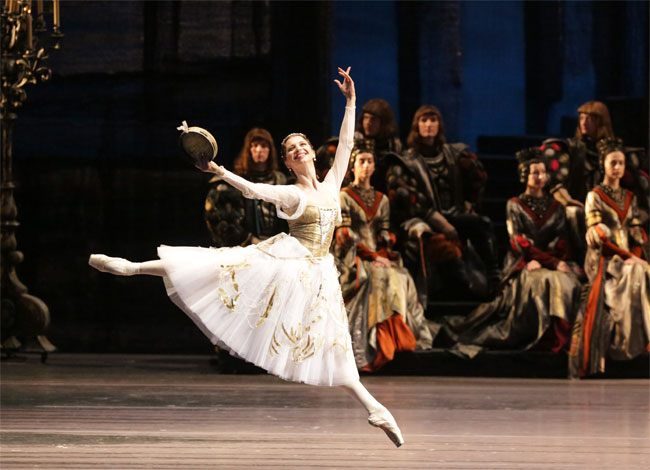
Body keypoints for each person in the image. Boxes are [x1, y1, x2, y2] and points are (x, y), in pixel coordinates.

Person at [88, 67, 404, 447]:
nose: (298, 150)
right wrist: (220, 170)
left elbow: (349, 144)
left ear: (312, 153)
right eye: (291, 150)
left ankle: (375, 409)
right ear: (287, 162)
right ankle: (132, 267)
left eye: (302, 145)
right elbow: (254, 191)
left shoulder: (333, 182)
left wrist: (351, 100)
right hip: (291, 263)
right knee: (217, 265)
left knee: (335, 345)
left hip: (320, 274)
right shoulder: (292, 194)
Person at [444, 148, 582, 356]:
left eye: (542, 172)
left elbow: (560, 240)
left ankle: (564, 338)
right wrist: (544, 262)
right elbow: (519, 242)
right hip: (524, 260)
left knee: (569, 281)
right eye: (534, 173)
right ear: (525, 175)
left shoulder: (557, 206)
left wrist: (554, 262)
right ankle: (540, 337)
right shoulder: (515, 205)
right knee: (543, 282)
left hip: (552, 260)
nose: (539, 177)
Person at [334, 140, 435, 371]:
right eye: (362, 161)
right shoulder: (344, 196)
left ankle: (398, 340)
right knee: (377, 278)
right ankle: (375, 344)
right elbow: (344, 235)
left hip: (377, 255)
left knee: (400, 277)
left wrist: (385, 248)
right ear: (353, 166)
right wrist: (371, 256)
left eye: (370, 161)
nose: (366, 166)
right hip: (353, 258)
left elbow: (383, 233)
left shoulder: (383, 199)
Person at [385, 104, 498, 304]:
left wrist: (470, 202)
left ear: (439, 125)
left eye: (433, 120)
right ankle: (461, 290)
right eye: (424, 120)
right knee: (444, 249)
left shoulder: (453, 154)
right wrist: (436, 219)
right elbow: (403, 193)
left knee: (482, 223)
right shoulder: (407, 159)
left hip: (453, 214)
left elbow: (478, 177)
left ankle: (495, 279)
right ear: (416, 125)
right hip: (424, 219)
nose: (429, 125)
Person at [569, 138, 649, 378]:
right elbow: (598, 238)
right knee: (637, 272)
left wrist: (636, 256)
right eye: (613, 163)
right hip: (606, 258)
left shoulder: (630, 197)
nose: (617, 168)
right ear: (603, 164)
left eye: (621, 163)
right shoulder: (594, 196)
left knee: (642, 270)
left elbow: (636, 235)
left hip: (628, 258)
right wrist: (627, 258)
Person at [541, 101, 648, 263]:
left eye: (589, 118)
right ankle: (582, 259)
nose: (584, 122)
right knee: (574, 213)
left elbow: (638, 188)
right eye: (581, 118)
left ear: (601, 122)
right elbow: (556, 182)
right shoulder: (572, 149)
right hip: (585, 204)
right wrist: (566, 198)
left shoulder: (618, 153)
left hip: (614, 206)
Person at [205, 127, 288, 247]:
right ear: (248, 150)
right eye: (254, 146)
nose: (259, 150)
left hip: (278, 245)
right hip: (244, 248)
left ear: (270, 150)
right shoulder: (233, 181)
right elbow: (219, 219)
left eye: (264, 146)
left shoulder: (282, 180)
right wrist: (248, 239)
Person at [354, 98, 403, 193]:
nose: (368, 123)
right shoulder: (354, 143)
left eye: (373, 119)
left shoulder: (393, 147)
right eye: (366, 118)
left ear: (383, 123)